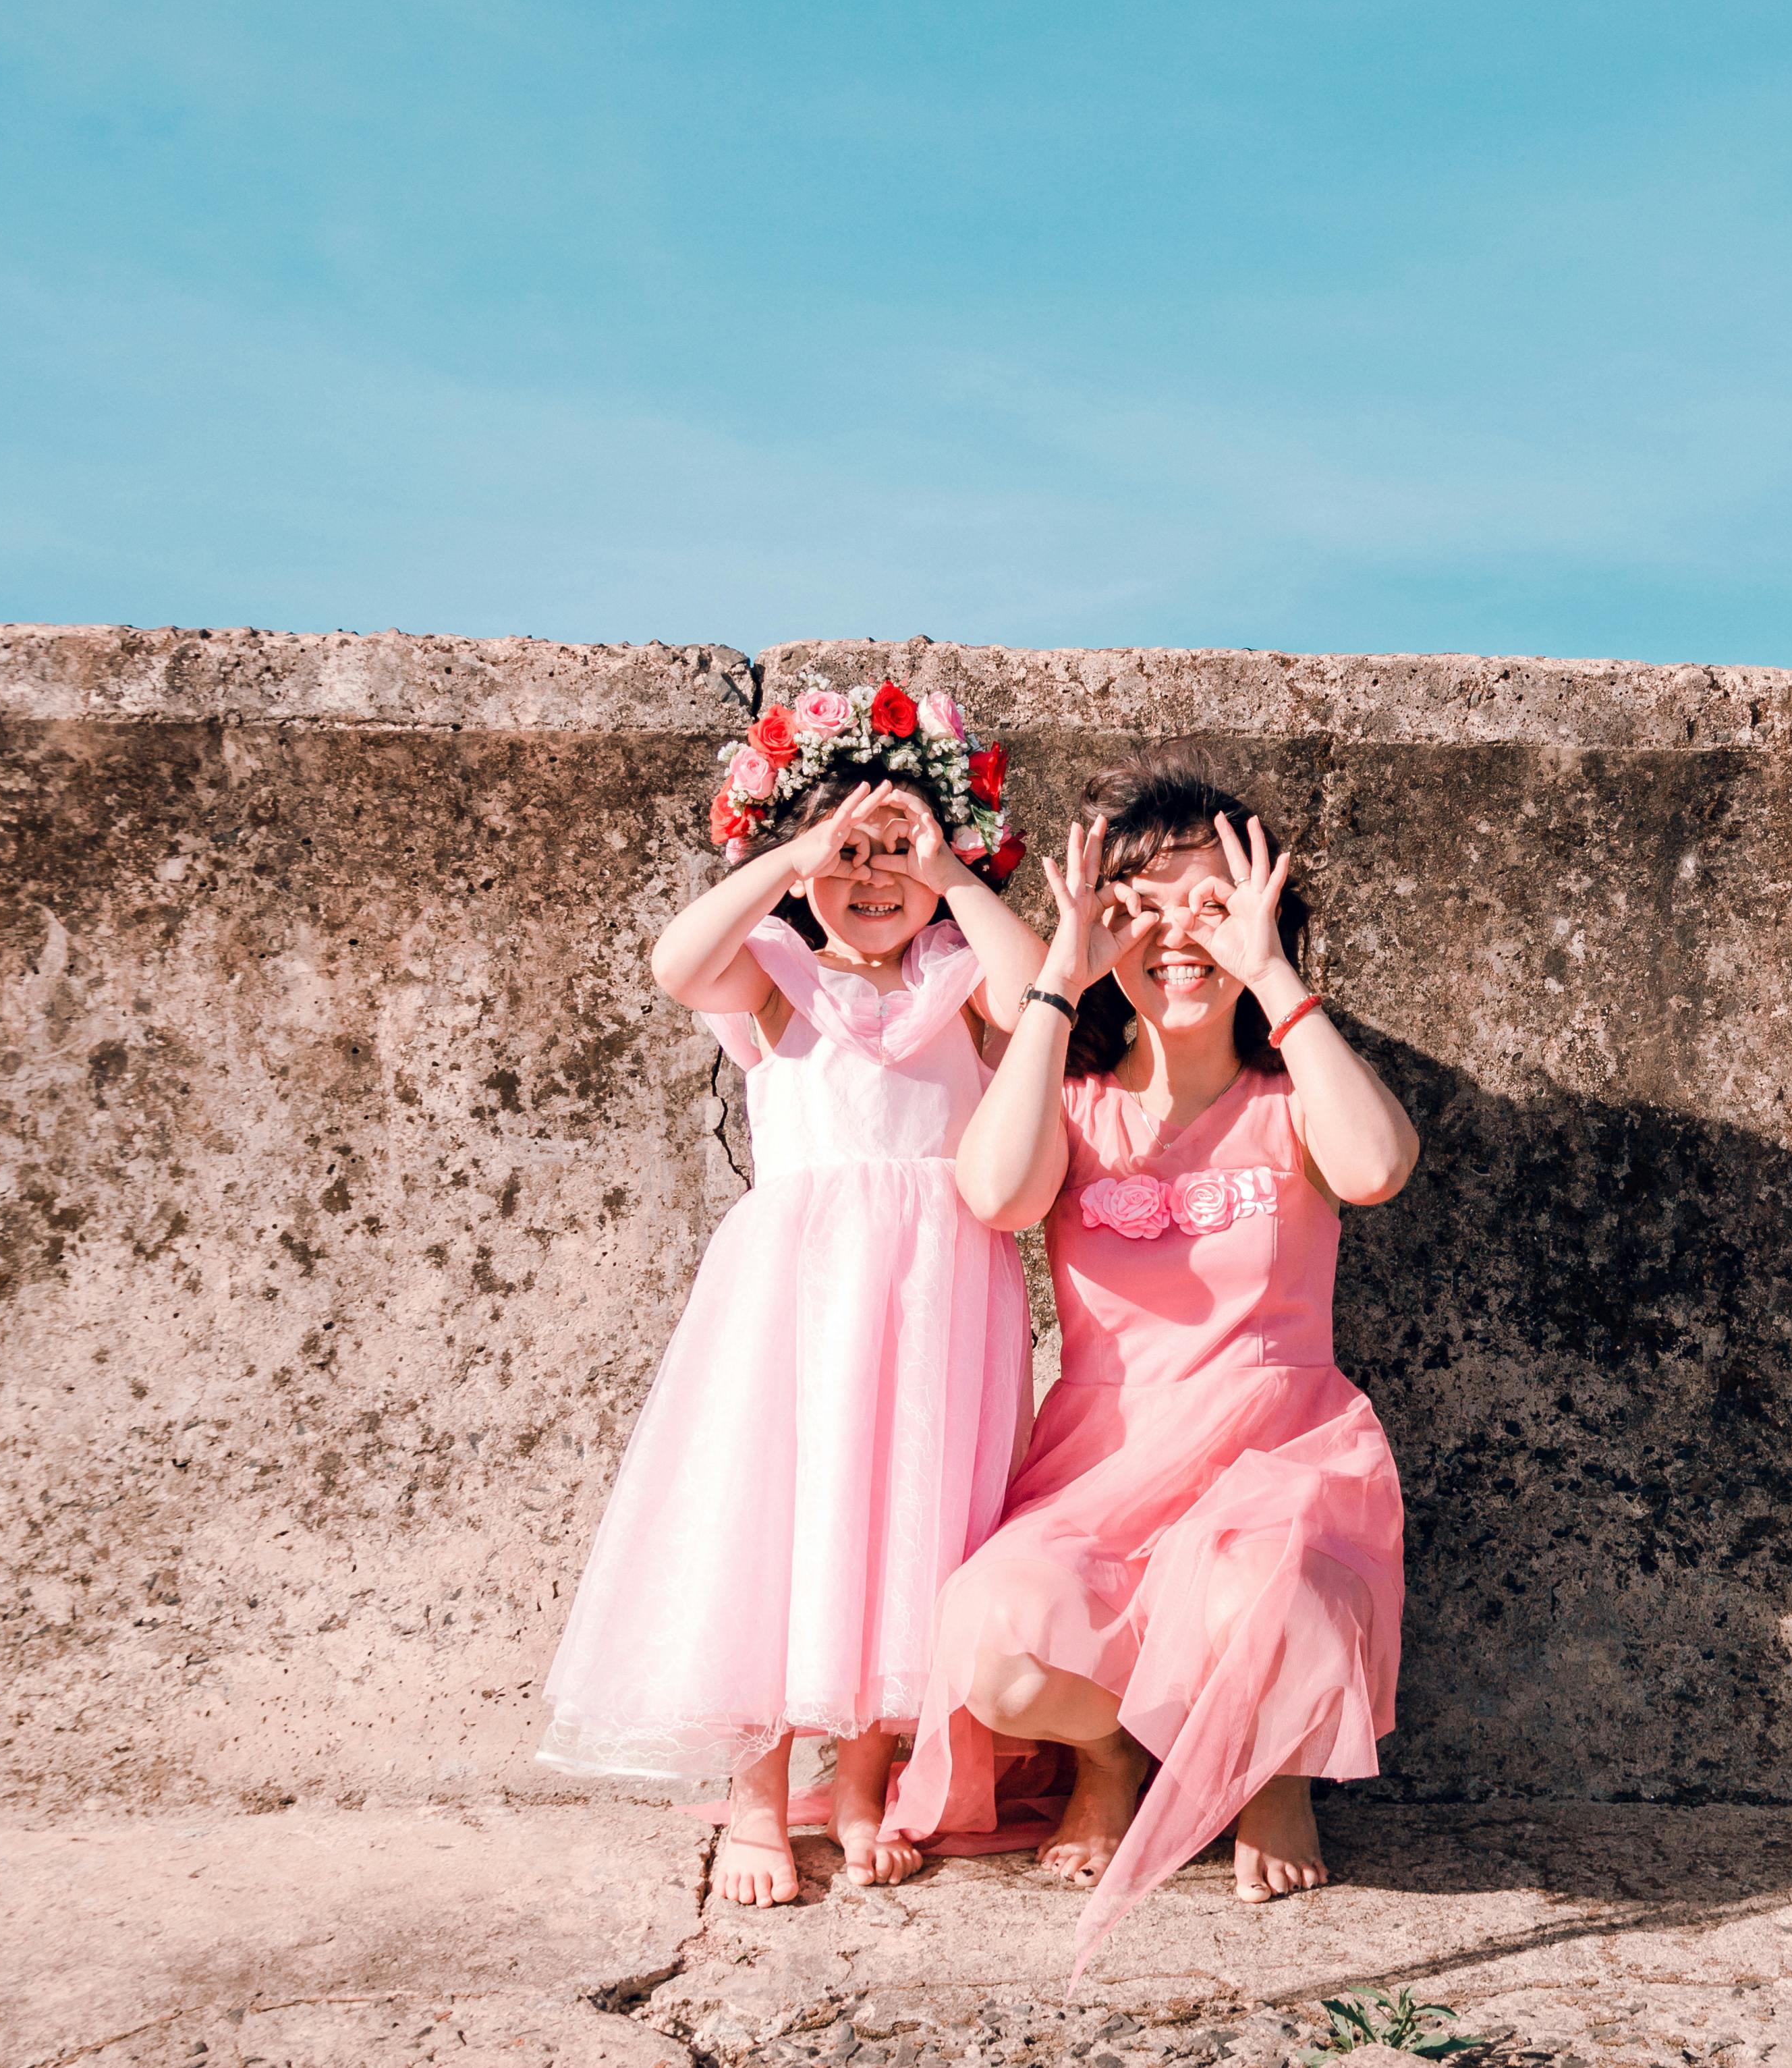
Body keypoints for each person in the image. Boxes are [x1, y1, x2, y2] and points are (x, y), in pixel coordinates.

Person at [886, 751, 1422, 1977]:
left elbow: (1378, 1168)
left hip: (1273, 1462)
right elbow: (994, 1190)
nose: (1177, 933)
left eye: (1211, 902)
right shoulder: (1073, 1098)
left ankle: (1272, 1773)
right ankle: (1116, 1756)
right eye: (1141, 902)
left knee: (1266, 1598)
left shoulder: (1292, 1092)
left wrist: (1273, 976)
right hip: (1103, 1465)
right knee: (998, 1651)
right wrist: (1061, 984)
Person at [538, 681, 1038, 1905]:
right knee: (784, 1528)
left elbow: (1048, 1007)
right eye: (848, 854)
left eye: (900, 853)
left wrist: (960, 881)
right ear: (801, 860)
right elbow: (675, 962)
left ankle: (864, 1783)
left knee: (902, 1532)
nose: (873, 875)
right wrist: (792, 858)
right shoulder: (772, 971)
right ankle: (760, 1800)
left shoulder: (963, 971)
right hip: (801, 1290)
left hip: (938, 1287)